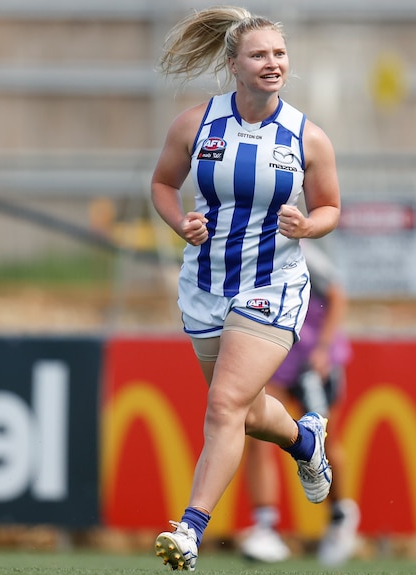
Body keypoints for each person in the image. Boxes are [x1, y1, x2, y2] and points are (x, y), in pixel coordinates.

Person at [149, 5, 342, 572]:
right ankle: (306, 442)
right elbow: (162, 184)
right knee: (248, 410)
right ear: (233, 64)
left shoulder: (307, 136)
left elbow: (331, 205)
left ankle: (190, 529)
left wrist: (309, 225)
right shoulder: (195, 125)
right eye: (259, 54)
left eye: (279, 54)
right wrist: (178, 222)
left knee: (224, 404)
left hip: (274, 283)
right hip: (206, 285)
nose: (272, 63)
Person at [240, 240, 360, 567]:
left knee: (326, 441)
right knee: (257, 435)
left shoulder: (297, 250)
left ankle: (340, 518)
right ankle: (265, 527)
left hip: (314, 361)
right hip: (274, 360)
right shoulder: (240, 249)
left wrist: (322, 349)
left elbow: (336, 295)